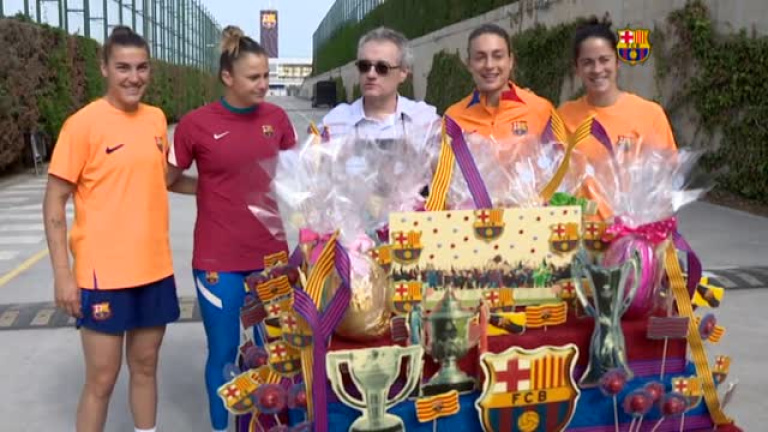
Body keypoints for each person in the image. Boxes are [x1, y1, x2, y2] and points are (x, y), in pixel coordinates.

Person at [43, 26, 189, 432]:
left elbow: (162, 178)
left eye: (142, 67)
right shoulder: (82, 125)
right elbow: (54, 202)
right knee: (102, 379)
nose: (134, 77)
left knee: (145, 366)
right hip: (102, 276)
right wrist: (62, 275)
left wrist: (219, 186)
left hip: (154, 270)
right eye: (123, 67)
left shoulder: (156, 119)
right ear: (104, 68)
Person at [166, 26, 297, 432]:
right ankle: (223, 427)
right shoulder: (195, 124)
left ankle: (269, 425)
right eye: (254, 77)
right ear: (227, 77)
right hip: (217, 260)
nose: (264, 84)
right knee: (224, 351)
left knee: (276, 352)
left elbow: (297, 177)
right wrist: (209, 187)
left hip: (271, 256)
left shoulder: (277, 119)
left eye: (266, 76)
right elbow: (168, 179)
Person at [557, 18, 677, 218]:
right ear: (576, 68)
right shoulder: (564, 116)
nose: (597, 69)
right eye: (587, 62)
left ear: (617, 61)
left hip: (633, 231)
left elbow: (665, 181)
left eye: (604, 60)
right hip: (579, 232)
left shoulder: (649, 114)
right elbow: (552, 178)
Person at [321, 26, 441, 152]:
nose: (371, 74)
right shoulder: (334, 123)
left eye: (382, 68)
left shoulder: (426, 121)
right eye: (364, 66)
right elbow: (314, 160)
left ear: (403, 72)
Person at [445, 23, 554, 143]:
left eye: (497, 56)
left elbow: (559, 153)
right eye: (480, 57)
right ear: (469, 64)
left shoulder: (541, 110)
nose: (489, 65)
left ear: (510, 61)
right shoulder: (453, 119)